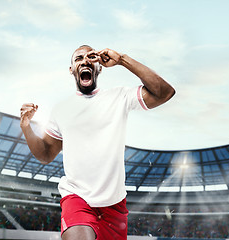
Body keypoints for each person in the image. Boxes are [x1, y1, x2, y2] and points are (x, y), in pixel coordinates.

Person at [20, 45, 175, 240]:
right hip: (77, 198)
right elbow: (45, 154)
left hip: (115, 206)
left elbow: (165, 92)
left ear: (99, 67)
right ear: (71, 70)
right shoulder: (62, 109)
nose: (84, 61)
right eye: (78, 59)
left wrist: (122, 60)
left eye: (90, 57)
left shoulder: (119, 97)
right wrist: (26, 127)